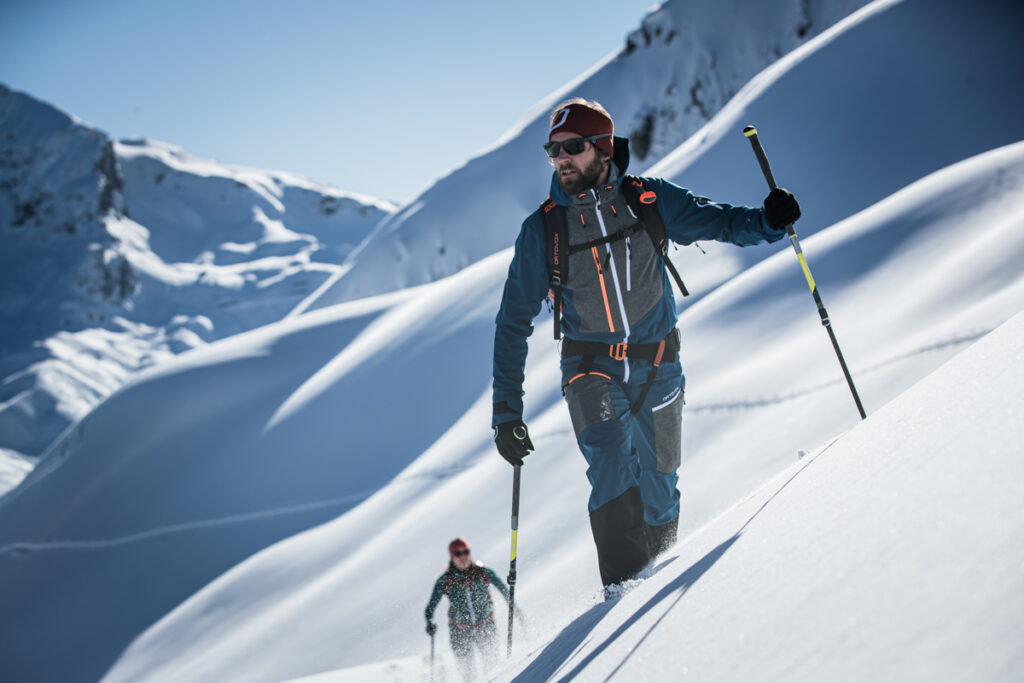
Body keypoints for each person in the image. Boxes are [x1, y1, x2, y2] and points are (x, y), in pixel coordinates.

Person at [492, 98, 800, 594]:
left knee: (660, 486)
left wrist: (768, 220)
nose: (560, 159)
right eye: (553, 150)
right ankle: (621, 596)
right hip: (589, 369)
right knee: (612, 467)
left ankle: (658, 582)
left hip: (658, 363)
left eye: (572, 147)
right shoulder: (543, 229)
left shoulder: (648, 199)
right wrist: (507, 411)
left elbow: (720, 221)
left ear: (603, 148)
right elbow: (512, 323)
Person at [424, 538, 511, 681]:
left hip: (485, 626)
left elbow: (504, 589)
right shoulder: (445, 580)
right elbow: (430, 607)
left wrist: (512, 605)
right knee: (468, 674)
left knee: (493, 667)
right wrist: (429, 622)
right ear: (452, 557)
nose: (463, 556)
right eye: (458, 553)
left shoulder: (483, 573)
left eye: (466, 551)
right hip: (459, 632)